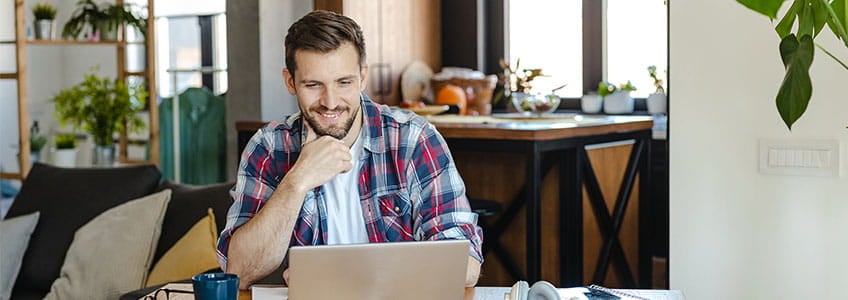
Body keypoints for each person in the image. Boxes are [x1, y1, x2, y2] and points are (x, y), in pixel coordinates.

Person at [216, 10, 483, 289]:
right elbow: (239, 272)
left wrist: (343, 278)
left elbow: (464, 264)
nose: (330, 102)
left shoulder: (413, 139)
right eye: (313, 84)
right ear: (290, 81)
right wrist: (298, 181)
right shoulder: (269, 147)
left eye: (344, 83)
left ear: (362, 76)